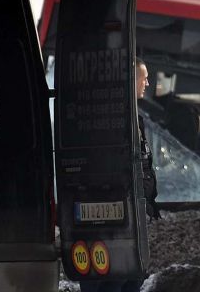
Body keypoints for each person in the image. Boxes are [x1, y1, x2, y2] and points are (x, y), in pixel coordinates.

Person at [81, 57, 157, 292]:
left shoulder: (134, 118)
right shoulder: (112, 119)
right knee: (116, 276)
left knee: (131, 275)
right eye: (143, 78)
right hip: (119, 209)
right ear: (131, 81)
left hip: (133, 209)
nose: (147, 83)